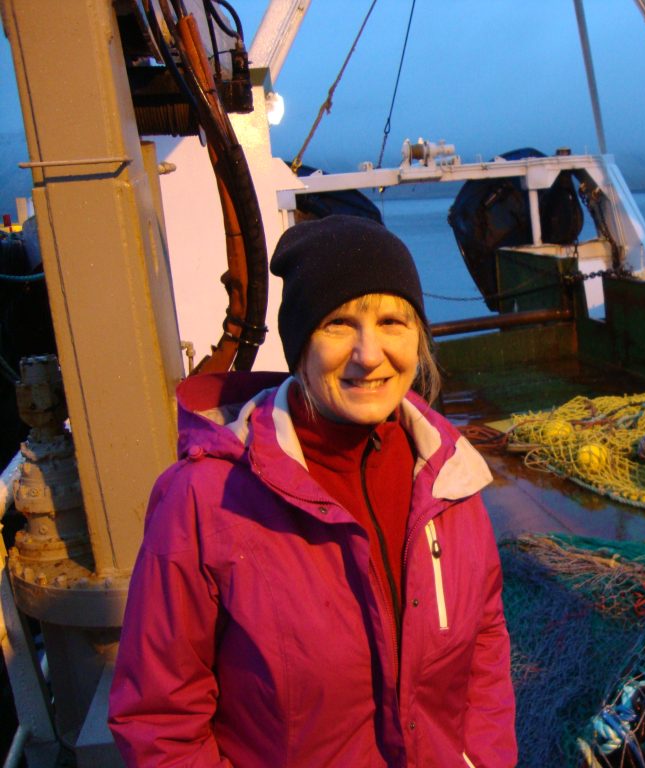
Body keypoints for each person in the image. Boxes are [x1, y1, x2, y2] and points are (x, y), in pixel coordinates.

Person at [108, 214, 517, 767]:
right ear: (299, 345)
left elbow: (485, 648)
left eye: (393, 321)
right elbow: (161, 721)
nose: (369, 354)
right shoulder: (204, 501)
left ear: (419, 338)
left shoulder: (449, 478)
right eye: (339, 323)